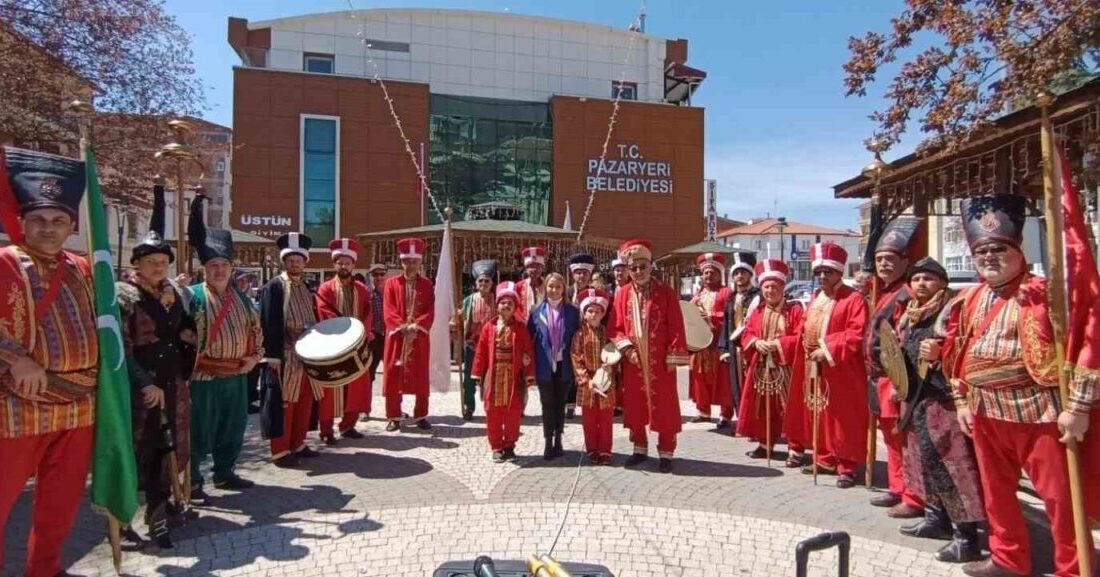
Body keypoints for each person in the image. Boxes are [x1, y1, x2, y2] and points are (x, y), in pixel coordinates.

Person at [939, 195, 1100, 577]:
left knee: (1060, 499)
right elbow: (957, 353)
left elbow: (1089, 341)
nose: (989, 256)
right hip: (983, 410)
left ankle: (1075, 568)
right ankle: (1008, 559)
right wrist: (961, 400)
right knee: (996, 494)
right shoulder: (969, 297)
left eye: (999, 248)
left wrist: (1077, 408)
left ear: (1019, 249)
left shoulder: (1048, 293)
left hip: (1038, 410)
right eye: (981, 251)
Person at [0, 149, 98, 577]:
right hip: (20, 404)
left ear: (71, 226)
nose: (47, 228)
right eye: (38, 219)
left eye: (58, 221)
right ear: (22, 222)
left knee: (60, 502)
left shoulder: (82, 268)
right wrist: (15, 358)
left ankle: (46, 568)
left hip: (80, 405)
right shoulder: (3, 262)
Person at [888, 257, 984, 564]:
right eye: (916, 279)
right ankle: (935, 519)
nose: (920, 284)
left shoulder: (952, 311)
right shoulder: (911, 314)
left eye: (928, 278)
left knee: (953, 468)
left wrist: (942, 353)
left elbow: (965, 350)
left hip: (944, 400)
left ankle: (966, 538)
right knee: (926, 464)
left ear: (942, 282)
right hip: (918, 399)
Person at [187, 195, 261, 499]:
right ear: (205, 268)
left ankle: (225, 473)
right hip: (203, 379)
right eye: (213, 265)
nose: (219, 270)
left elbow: (257, 332)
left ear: (232, 269)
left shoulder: (243, 300)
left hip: (237, 376)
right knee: (198, 432)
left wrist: (254, 358)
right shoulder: (190, 297)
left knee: (232, 429)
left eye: (224, 265)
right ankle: (191, 481)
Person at [787, 241, 869, 488]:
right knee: (818, 413)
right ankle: (824, 458)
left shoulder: (854, 299)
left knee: (843, 418)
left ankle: (846, 466)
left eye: (828, 272)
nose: (822, 276)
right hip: (814, 366)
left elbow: (857, 332)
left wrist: (828, 348)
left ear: (839, 273)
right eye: (818, 272)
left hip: (841, 368)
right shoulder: (815, 298)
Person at [611, 239, 690, 473]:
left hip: (660, 362)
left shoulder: (665, 292)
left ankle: (666, 452)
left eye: (642, 266)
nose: (638, 272)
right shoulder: (623, 294)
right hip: (634, 362)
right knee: (635, 406)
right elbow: (615, 327)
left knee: (665, 407)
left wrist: (673, 356)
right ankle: (639, 448)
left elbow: (676, 325)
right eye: (633, 268)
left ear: (650, 265)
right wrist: (627, 349)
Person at [866, 217, 925, 518]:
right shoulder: (887, 292)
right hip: (880, 379)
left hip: (897, 380)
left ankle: (913, 496)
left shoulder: (906, 295)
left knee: (904, 439)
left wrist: (900, 384)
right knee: (890, 437)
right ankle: (897, 486)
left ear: (905, 261)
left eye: (890, 259)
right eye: (879, 259)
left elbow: (903, 342)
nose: (884, 264)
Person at [259, 232, 322, 466]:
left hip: (307, 355)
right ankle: (281, 450)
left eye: (299, 260)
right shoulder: (274, 287)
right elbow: (268, 321)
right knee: (285, 403)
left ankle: (298, 442)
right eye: (290, 260)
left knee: (305, 401)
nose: (295, 264)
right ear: (284, 262)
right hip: (284, 355)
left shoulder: (306, 287)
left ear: (305, 262)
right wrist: (272, 356)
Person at [737, 259, 804, 462]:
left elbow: (801, 336)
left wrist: (778, 344)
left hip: (786, 369)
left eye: (774, 287)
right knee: (763, 408)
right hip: (762, 369)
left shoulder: (795, 310)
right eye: (766, 287)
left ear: (783, 287)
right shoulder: (758, 310)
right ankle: (765, 443)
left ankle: (796, 448)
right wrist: (755, 342)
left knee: (789, 409)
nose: (770, 291)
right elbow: (746, 333)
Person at [316, 239, 374, 444]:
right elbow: (324, 313)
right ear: (334, 264)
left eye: (347, 263)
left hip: (357, 345)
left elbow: (368, 313)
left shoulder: (362, 289)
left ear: (353, 265)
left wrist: (360, 334)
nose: (344, 266)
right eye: (340, 263)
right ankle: (326, 430)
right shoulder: (325, 289)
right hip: (334, 346)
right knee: (331, 389)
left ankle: (349, 425)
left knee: (356, 387)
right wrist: (343, 334)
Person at [470, 281, 535, 462]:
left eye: (510, 303)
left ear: (515, 307)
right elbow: (481, 353)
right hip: (494, 374)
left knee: (513, 412)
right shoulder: (488, 328)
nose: (506, 306)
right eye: (502, 302)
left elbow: (528, 351)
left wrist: (529, 373)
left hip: (513, 376)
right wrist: (477, 374)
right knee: (493, 411)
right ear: (497, 305)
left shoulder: (521, 329)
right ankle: (497, 446)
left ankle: (510, 445)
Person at [382, 237, 435, 431]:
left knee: (421, 376)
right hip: (397, 337)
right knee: (393, 375)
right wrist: (402, 328)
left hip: (419, 337)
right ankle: (393, 416)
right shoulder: (390, 284)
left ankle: (421, 414)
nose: (410, 265)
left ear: (420, 261)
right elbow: (388, 309)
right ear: (401, 261)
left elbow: (430, 309)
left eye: (414, 261)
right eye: (407, 261)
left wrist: (417, 327)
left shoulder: (428, 285)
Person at [529, 272, 580, 460]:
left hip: (564, 364)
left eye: (558, 286)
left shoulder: (573, 312)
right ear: (545, 288)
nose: (554, 290)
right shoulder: (536, 311)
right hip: (544, 365)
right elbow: (529, 337)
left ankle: (559, 439)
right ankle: (548, 442)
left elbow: (577, 338)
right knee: (547, 404)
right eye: (550, 286)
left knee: (560, 404)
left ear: (563, 289)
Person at [571, 288, 617, 464]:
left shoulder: (608, 334)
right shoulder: (579, 334)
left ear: (603, 313)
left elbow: (615, 353)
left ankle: (605, 451)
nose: (594, 314)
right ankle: (592, 449)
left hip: (606, 380)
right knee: (589, 419)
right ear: (584, 313)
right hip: (588, 383)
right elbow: (576, 358)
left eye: (597, 311)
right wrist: (585, 380)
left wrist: (611, 366)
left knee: (605, 418)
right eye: (590, 311)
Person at [690, 253, 734, 427]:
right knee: (699, 377)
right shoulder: (698, 294)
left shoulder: (726, 293)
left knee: (722, 379)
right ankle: (703, 411)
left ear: (719, 274)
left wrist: (709, 316)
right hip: (701, 344)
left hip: (719, 343)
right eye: (706, 273)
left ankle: (725, 415)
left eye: (712, 272)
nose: (709, 276)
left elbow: (730, 316)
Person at [718, 251, 761, 426]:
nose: (739, 276)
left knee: (752, 386)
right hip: (735, 350)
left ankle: (753, 423)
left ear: (750, 275)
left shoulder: (758, 296)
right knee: (736, 387)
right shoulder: (731, 298)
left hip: (751, 348)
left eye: (743, 272)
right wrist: (724, 348)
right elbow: (726, 325)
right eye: (736, 273)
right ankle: (742, 421)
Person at [461, 260, 497, 421]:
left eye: (487, 281)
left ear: (492, 283)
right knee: (469, 380)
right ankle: (469, 407)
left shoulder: (497, 301)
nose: (483, 284)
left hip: (492, 347)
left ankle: (492, 408)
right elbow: (460, 319)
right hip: (472, 347)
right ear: (476, 283)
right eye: (480, 281)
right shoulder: (468, 300)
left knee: (491, 379)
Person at [365, 263, 387, 420]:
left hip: (390, 338)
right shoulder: (367, 294)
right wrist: (369, 331)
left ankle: (394, 410)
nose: (378, 277)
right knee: (368, 374)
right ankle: (365, 408)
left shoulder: (391, 293)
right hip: (373, 338)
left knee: (394, 374)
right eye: (375, 275)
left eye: (381, 274)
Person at [515, 245, 547, 321]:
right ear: (526, 269)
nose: (535, 269)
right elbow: (515, 307)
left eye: (538, 266)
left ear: (542, 269)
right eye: (531, 266)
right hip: (523, 325)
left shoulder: (548, 285)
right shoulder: (518, 286)